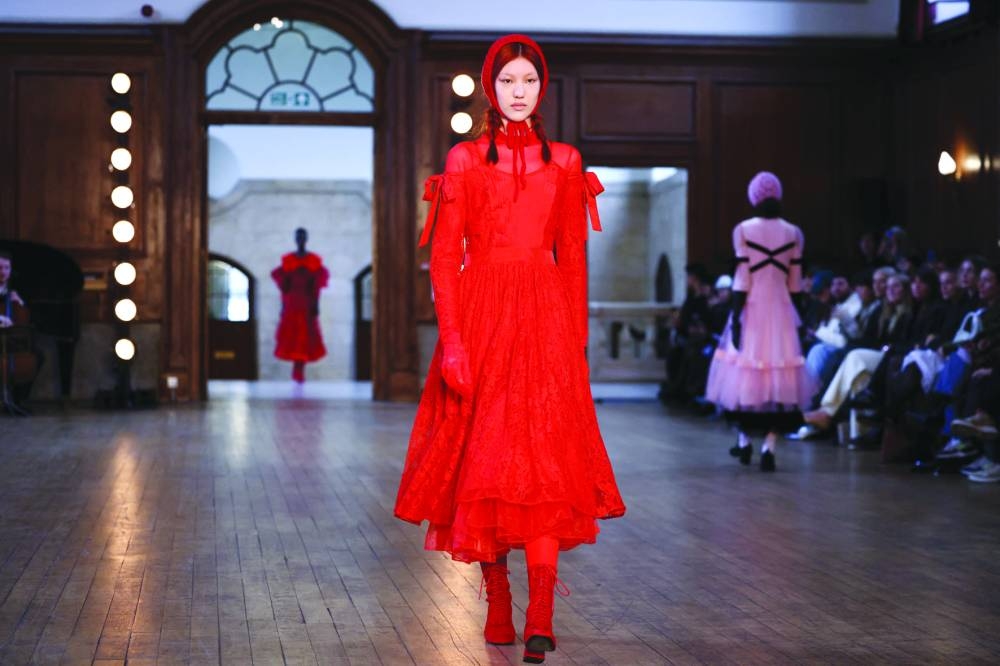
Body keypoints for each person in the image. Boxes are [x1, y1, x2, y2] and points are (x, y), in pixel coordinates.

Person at [393, 35, 625, 664]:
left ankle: (542, 615)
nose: (518, 92)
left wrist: (575, 345)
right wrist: (454, 344)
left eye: (528, 81)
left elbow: (574, 261)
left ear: (540, 87)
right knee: (485, 463)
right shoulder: (464, 161)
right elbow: (444, 260)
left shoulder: (567, 161)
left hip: (546, 322)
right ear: (489, 88)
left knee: (545, 463)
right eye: (507, 82)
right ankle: (497, 604)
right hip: (482, 316)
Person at [705, 172, 815, 471]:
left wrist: (737, 318)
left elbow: (741, 280)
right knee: (778, 381)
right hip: (781, 311)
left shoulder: (743, 230)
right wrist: (799, 320)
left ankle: (743, 442)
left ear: (754, 197)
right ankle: (769, 447)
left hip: (752, 308)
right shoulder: (794, 232)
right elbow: (795, 285)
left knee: (744, 376)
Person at [270, 228, 329, 383]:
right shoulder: (288, 260)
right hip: (292, 303)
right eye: (298, 236)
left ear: (306, 239)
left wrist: (316, 304)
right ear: (295, 239)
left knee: (305, 335)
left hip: (307, 303)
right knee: (293, 335)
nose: (300, 239)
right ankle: (297, 371)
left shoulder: (314, 261)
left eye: (303, 236)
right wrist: (283, 305)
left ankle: (299, 371)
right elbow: (284, 287)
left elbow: (316, 287)